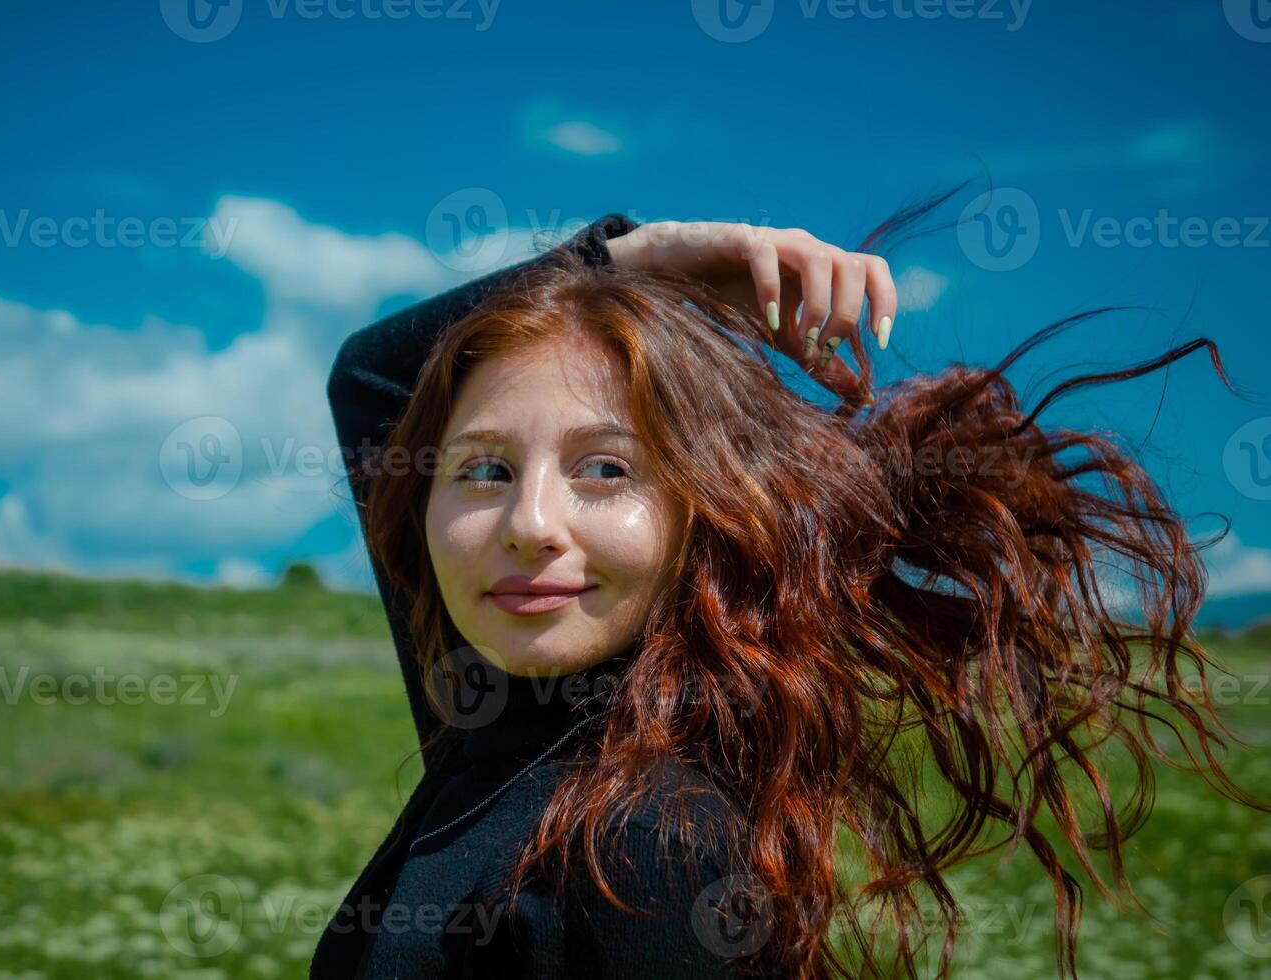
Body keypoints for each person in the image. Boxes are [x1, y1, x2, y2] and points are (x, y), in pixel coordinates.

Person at [309, 197, 1267, 979]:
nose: (528, 523)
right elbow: (374, 378)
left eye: (606, 470)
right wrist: (636, 261)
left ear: (702, 518)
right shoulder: (489, 721)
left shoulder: (645, 850)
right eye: (481, 471)